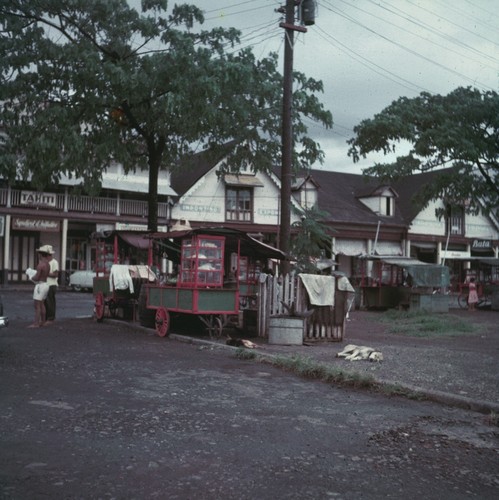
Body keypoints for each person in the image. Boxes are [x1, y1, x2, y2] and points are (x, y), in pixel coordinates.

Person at [28, 246, 51, 328]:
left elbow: (37, 277)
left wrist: (31, 276)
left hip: (40, 285)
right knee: (42, 304)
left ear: (41, 255)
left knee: (37, 305)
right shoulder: (48, 264)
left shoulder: (40, 265)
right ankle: (43, 321)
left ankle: (36, 323)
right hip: (46, 284)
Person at [44, 245, 59, 324]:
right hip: (45, 284)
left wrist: (46, 273)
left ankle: (51, 318)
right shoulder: (45, 262)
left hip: (52, 284)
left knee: (50, 302)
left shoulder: (54, 262)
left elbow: (56, 274)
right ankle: (46, 317)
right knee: (45, 302)